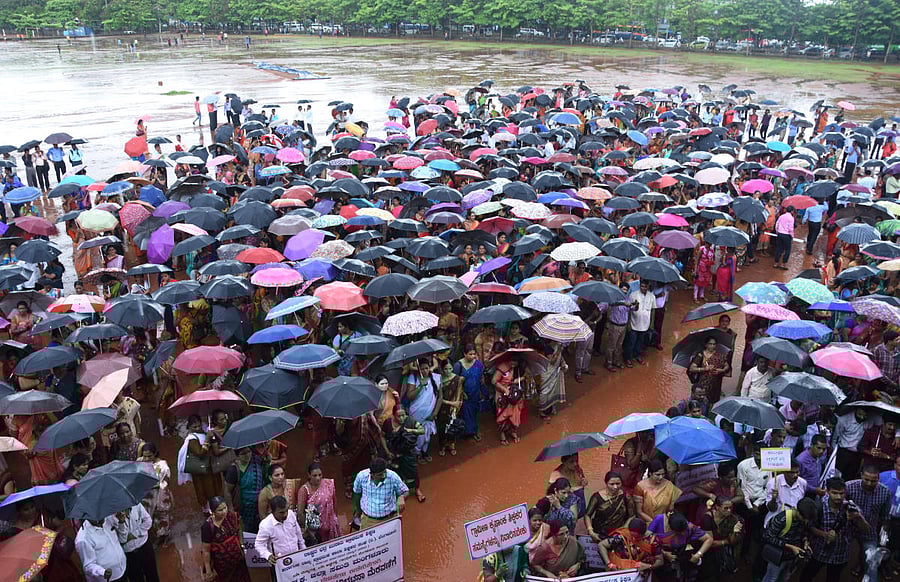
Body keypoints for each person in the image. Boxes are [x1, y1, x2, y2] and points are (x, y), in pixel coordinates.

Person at [802, 477, 866, 582]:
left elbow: (866, 529)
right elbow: (809, 527)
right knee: (807, 576)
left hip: (840, 553)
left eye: (841, 493)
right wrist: (824, 534)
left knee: (833, 578)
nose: (839, 497)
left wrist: (858, 518)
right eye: (834, 493)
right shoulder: (818, 507)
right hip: (820, 550)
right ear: (827, 491)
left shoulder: (851, 508)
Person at [845, 466, 891, 579]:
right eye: (866, 479)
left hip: (869, 530)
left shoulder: (885, 492)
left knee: (872, 564)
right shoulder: (849, 487)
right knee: (836, 559)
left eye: (873, 481)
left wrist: (883, 536)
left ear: (879, 479)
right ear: (861, 476)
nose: (869, 483)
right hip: (847, 528)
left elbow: (885, 516)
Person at [761, 497, 817, 582]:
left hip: (793, 558)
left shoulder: (806, 518)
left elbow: (804, 533)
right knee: (771, 579)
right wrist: (790, 547)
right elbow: (768, 536)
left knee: (784, 578)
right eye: (804, 518)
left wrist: (805, 542)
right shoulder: (782, 518)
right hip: (778, 557)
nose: (806, 521)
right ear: (798, 511)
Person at [649, 511, 714, 582]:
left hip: (681, 559)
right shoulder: (659, 519)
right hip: (660, 558)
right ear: (672, 529)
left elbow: (709, 539)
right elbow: (648, 540)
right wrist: (664, 553)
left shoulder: (690, 528)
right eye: (680, 532)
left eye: (684, 531)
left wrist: (698, 554)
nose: (683, 533)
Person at [200, 496, 252, 582]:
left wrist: (242, 545)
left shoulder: (232, 516)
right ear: (213, 512)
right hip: (223, 564)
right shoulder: (207, 527)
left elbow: (239, 529)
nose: (224, 511)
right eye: (220, 510)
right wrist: (208, 570)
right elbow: (206, 550)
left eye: (225, 508)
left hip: (238, 559)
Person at [352, 457, 408, 530]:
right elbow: (357, 494)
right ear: (372, 474)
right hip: (368, 520)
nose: (384, 476)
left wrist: (401, 498)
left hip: (390, 519)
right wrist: (358, 511)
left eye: (385, 472)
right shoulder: (361, 476)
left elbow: (405, 491)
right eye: (380, 474)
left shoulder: (393, 476)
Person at [224, 446, 269, 534]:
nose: (247, 455)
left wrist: (267, 460)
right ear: (237, 456)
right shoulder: (233, 470)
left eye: (248, 452)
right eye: (243, 454)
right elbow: (227, 491)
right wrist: (230, 509)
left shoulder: (257, 462)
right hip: (242, 508)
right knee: (245, 533)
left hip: (259, 506)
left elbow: (266, 476)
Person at [698, 496, 744, 580]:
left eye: (730, 508)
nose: (729, 510)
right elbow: (709, 543)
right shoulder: (707, 519)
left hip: (724, 552)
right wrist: (726, 541)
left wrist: (735, 532)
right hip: (709, 553)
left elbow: (733, 541)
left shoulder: (734, 519)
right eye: (725, 508)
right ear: (717, 507)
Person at [296, 461, 342, 544]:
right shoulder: (304, 490)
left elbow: (334, 502)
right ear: (309, 475)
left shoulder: (328, 484)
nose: (318, 478)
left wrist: (335, 519)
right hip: (315, 530)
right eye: (314, 475)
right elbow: (300, 512)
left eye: (320, 475)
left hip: (330, 525)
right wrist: (308, 530)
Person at [255, 496, 305, 568]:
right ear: (272, 511)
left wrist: (303, 550)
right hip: (279, 565)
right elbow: (259, 544)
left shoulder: (291, 514)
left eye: (286, 510)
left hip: (297, 559)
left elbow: (298, 533)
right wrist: (268, 555)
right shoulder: (265, 525)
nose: (285, 514)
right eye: (281, 512)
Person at [75, 515, 127, 582]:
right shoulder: (83, 538)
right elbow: (88, 565)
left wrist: (121, 523)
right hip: (108, 579)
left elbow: (123, 539)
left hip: (122, 569)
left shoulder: (108, 520)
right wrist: (102, 572)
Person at [115, 503, 159, 582]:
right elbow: (122, 540)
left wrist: (133, 535)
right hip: (130, 555)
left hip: (145, 547)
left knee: (152, 575)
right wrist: (121, 522)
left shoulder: (136, 505)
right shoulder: (112, 517)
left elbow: (148, 521)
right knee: (136, 578)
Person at [140, 442, 172, 542]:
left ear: (155, 454)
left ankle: (164, 535)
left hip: (159, 496)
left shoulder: (162, 466)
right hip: (148, 497)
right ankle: (158, 534)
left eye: (149, 456)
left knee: (162, 516)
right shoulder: (142, 463)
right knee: (151, 517)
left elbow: (161, 482)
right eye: (144, 456)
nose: (146, 459)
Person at [584, 471, 630, 542]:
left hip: (618, 535)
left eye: (618, 483)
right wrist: (591, 531)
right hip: (599, 534)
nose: (615, 487)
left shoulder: (626, 496)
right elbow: (587, 515)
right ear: (606, 483)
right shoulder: (597, 497)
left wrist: (624, 530)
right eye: (612, 484)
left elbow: (632, 515)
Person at [688, 337, 731, 404]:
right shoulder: (700, 355)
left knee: (713, 401)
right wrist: (705, 369)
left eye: (714, 344)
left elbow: (727, 366)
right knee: (701, 400)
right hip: (703, 383)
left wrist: (721, 370)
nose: (712, 346)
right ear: (706, 345)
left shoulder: (720, 355)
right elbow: (692, 368)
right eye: (710, 344)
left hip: (715, 383)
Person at [624, 280, 655, 367]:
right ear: (640, 286)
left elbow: (653, 310)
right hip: (634, 324)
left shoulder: (652, 296)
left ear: (648, 286)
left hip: (645, 324)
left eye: (645, 286)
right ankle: (628, 358)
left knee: (640, 342)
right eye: (642, 286)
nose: (643, 288)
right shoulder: (633, 295)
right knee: (631, 342)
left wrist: (651, 323)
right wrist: (629, 324)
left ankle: (637, 356)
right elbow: (629, 310)